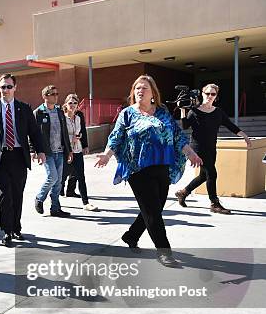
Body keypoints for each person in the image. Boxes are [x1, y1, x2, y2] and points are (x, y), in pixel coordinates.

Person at [95, 75, 202, 267]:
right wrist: (106, 155)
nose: (139, 91)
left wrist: (191, 153)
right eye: (137, 88)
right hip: (138, 169)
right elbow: (116, 137)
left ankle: (131, 235)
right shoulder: (127, 113)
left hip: (162, 166)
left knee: (154, 209)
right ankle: (164, 251)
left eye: (144, 88)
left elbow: (177, 136)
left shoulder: (162, 112)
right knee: (152, 212)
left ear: (153, 93)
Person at [0, 73, 45, 247]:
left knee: (17, 194)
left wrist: (40, 151)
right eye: (2, 87)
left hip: (19, 157)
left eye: (9, 86)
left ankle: (16, 227)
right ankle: (6, 231)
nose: (5, 90)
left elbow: (34, 132)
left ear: (15, 88)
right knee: (5, 194)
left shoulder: (24, 108)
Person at [175, 83, 251, 214]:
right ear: (202, 94)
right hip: (197, 148)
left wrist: (244, 135)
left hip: (211, 148)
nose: (210, 96)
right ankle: (214, 203)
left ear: (216, 96)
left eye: (213, 94)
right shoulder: (195, 111)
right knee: (212, 173)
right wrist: (182, 110)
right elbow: (185, 126)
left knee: (204, 176)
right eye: (207, 93)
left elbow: (230, 125)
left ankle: (183, 192)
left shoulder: (218, 112)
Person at [33, 85, 73, 218]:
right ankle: (39, 198)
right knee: (53, 177)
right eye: (53, 94)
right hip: (46, 152)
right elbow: (32, 134)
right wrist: (35, 151)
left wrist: (69, 150)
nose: (56, 96)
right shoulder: (38, 112)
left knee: (59, 181)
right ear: (45, 96)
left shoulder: (59, 111)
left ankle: (55, 208)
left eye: (57, 93)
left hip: (60, 151)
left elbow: (64, 133)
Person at [61, 94, 98, 211]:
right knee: (61, 177)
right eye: (70, 103)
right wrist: (69, 139)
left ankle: (86, 203)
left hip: (77, 149)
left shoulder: (78, 117)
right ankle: (53, 199)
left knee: (81, 176)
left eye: (75, 103)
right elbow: (59, 135)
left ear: (77, 105)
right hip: (66, 151)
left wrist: (84, 144)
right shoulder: (62, 117)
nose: (72, 105)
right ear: (66, 104)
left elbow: (82, 131)